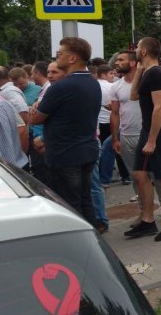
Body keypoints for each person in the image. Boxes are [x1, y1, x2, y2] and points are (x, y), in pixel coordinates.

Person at [31, 37, 101, 227]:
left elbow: (36, 118)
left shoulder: (61, 87)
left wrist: (33, 109)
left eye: (60, 54)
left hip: (65, 154)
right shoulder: (93, 83)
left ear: (72, 58)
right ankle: (93, 240)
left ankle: (79, 247)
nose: (56, 57)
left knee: (70, 204)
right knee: (85, 200)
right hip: (87, 150)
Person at [124, 37, 161, 241]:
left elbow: (159, 107)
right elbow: (133, 96)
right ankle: (148, 221)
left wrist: (152, 140)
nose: (136, 50)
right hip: (147, 130)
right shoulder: (147, 72)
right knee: (140, 174)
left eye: (138, 47)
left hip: (156, 132)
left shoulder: (157, 73)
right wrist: (139, 71)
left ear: (144, 51)